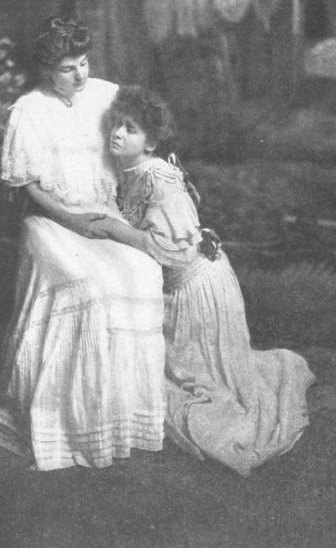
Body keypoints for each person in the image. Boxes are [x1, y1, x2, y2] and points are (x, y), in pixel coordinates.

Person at [0, 18, 166, 471]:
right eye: (66, 68)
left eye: (83, 62)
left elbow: (145, 140)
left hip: (103, 212)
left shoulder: (106, 95)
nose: (79, 74)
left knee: (142, 273)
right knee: (87, 290)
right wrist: (72, 220)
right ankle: (70, 422)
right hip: (52, 221)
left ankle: (123, 414)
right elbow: (29, 186)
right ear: (45, 71)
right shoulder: (29, 110)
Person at [94, 86, 315, 477]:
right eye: (116, 124)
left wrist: (115, 229)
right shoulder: (133, 172)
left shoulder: (157, 176)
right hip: (192, 282)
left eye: (130, 129)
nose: (117, 133)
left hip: (199, 289)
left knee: (199, 384)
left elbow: (173, 250)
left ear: (150, 143)